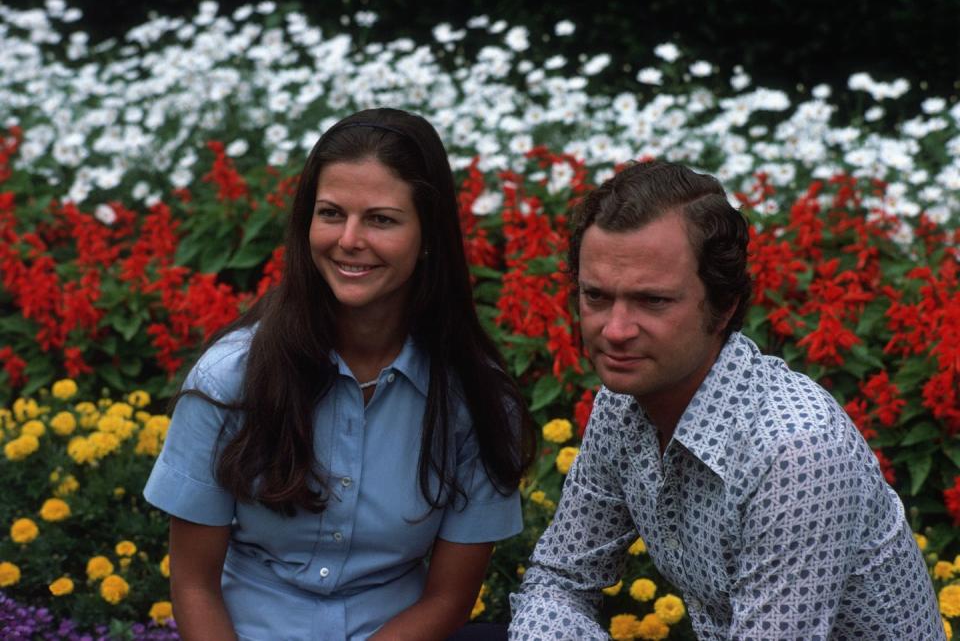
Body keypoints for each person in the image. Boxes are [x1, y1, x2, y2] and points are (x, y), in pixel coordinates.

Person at [144, 107, 536, 640]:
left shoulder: (473, 398)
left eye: (381, 219)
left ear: (428, 238)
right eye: (331, 214)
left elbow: (448, 598)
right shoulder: (229, 380)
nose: (349, 239)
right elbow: (194, 586)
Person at [509, 160, 944, 640]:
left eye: (652, 301)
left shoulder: (796, 453)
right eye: (596, 296)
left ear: (723, 306)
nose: (615, 331)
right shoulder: (622, 404)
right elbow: (559, 581)